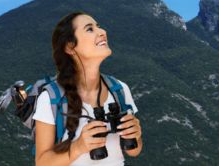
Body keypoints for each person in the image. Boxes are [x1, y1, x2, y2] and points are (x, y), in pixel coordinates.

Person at [33, 11, 142, 165]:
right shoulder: (52, 98)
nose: (103, 32)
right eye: (90, 29)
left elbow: (134, 151)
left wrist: (136, 135)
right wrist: (78, 147)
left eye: (99, 27)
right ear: (70, 47)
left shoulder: (119, 90)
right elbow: (41, 163)